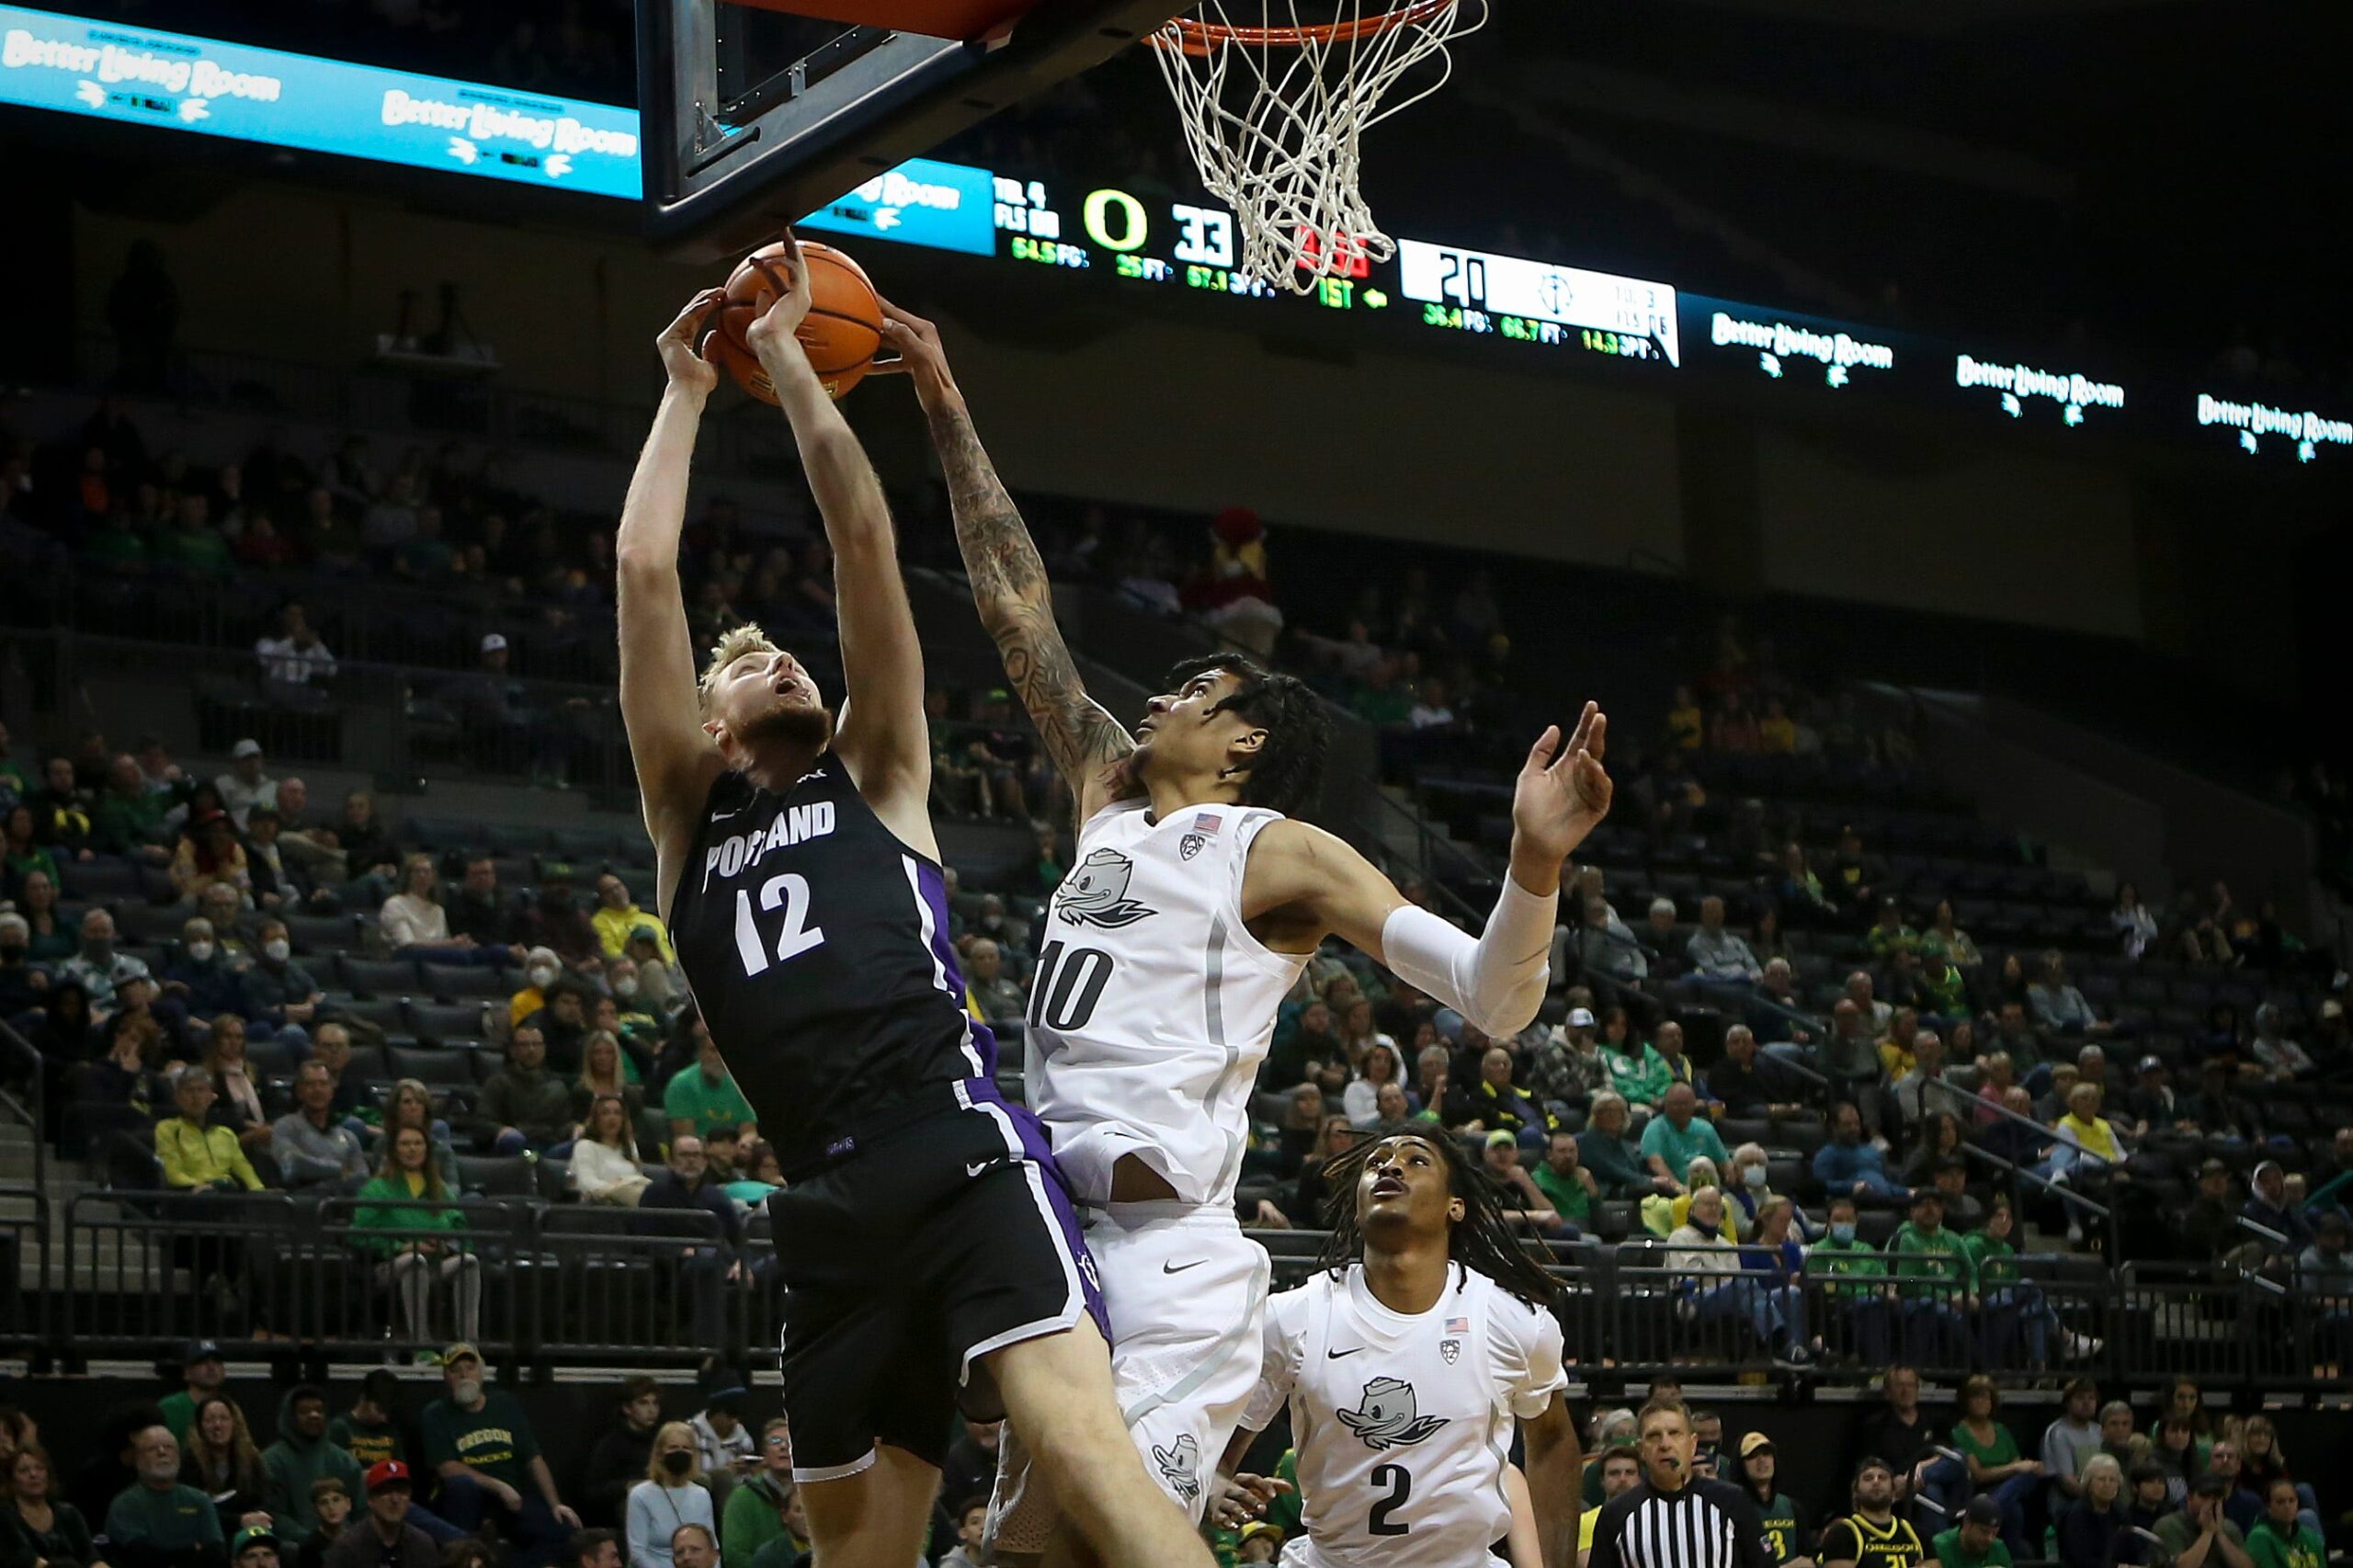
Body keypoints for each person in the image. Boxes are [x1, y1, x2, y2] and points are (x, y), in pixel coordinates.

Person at [884, 302, 1609, 1560]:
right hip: (1054, 1237)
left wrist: (1533, 863)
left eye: (1197, 689)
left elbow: (1494, 998)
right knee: (1014, 1555)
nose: (1159, 691)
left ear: (1247, 743)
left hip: (1169, 1264)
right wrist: (945, 400)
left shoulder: (1275, 848)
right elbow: (1015, 608)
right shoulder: (1108, 804)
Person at [1218, 1130, 1581, 1566]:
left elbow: (1554, 1439)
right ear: (1356, 1205)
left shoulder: (1512, 1322)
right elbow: (1215, 1456)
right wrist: (1216, 1486)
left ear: (1455, 1206)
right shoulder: (1292, 1317)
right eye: (1376, 1163)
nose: (1390, 1167)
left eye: (1416, 1161)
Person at [421, 1345, 576, 1567]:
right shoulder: (435, 1413)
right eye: (456, 1370)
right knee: (461, 1486)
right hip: (467, 1500)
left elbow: (533, 1457)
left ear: (481, 1372)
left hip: (511, 1500)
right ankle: (465, 1552)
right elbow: (447, 1468)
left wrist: (555, 1505)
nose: (465, 1375)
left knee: (564, 1530)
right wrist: (497, 1486)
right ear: (446, 1377)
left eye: (470, 1368)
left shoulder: (505, 1404)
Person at [1585, 1399, 1771, 1568]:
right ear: (1641, 1450)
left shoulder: (1731, 1501)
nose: (1665, 1444)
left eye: (1674, 1433)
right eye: (1654, 1436)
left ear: (1693, 1444)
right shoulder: (1617, 1513)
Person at [353, 1127, 482, 1346]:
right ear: (393, 1151)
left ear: (427, 1149)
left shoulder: (440, 1189)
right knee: (414, 1260)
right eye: (405, 1144)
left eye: (418, 1143)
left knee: (468, 1262)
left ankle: (469, 1346)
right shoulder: (376, 1188)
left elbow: (462, 1231)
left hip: (435, 1264)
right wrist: (398, 1247)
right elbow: (357, 1235)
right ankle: (420, 1345)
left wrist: (447, 1248)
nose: (412, 1149)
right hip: (388, 1266)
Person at [1671, 1187, 1810, 1365]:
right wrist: (1726, 1283)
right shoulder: (1680, 1237)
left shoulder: (1726, 1244)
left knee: (1790, 1293)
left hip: (1732, 1297)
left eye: (1717, 1205)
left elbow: (1734, 1280)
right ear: (1692, 1209)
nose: (1713, 1209)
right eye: (1707, 1204)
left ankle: (1794, 1352)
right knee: (1744, 1283)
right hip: (1695, 1300)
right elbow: (1689, 1277)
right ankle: (1780, 1342)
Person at [1946, 1377, 2042, 1560]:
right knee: (2015, 1510)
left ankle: (1988, 1513)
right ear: (1966, 1401)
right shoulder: (1960, 1432)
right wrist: (2015, 1468)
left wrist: (2027, 1468)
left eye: (1986, 1397)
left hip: (2008, 1488)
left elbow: (2019, 1469)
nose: (1982, 1402)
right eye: (1976, 1397)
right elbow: (1978, 1475)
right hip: (1978, 1492)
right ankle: (2008, 1559)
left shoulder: (2001, 1430)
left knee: (2030, 1476)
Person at [106, 1425, 227, 1568]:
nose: (162, 1452)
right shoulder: (126, 1504)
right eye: (152, 1448)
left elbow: (216, 1552)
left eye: (168, 1447)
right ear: (138, 1460)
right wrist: (191, 1550)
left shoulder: (199, 1500)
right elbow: (140, 1555)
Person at [262, 1386, 367, 1550]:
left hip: (345, 1546)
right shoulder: (272, 1461)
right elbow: (273, 1515)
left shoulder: (346, 1461)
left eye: (319, 1410)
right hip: (297, 1547)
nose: (314, 1415)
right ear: (291, 1418)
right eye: (304, 1411)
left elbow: (361, 1514)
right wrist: (316, 1539)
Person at [4, 1443, 109, 1568]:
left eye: (40, 1468)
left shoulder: (68, 1513)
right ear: (12, 1479)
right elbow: (26, 1559)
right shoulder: (5, 1515)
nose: (33, 1474)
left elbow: (90, 1557)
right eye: (23, 1470)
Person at [272, 1062, 370, 1194]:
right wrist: (339, 1170)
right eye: (310, 1084)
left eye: (323, 1084)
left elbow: (362, 1176)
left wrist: (327, 1180)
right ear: (299, 1092)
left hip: (341, 1202)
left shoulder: (348, 1136)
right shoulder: (285, 1126)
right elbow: (293, 1164)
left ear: (331, 1092)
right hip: (303, 1202)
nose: (317, 1089)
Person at [623, 1425, 712, 1568]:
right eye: (673, 1447)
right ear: (659, 1453)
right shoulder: (640, 1495)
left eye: (686, 1448)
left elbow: (711, 1548)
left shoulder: (702, 1495)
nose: (680, 1452)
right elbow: (637, 1553)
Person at [581, 1379, 665, 1530]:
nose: (652, 1410)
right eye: (643, 1403)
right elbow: (593, 1491)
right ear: (627, 1408)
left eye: (655, 1403)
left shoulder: (662, 1439)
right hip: (625, 1507)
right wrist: (629, 1485)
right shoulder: (611, 1444)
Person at [323, 1462, 437, 1568]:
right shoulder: (346, 1548)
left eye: (402, 1492)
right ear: (370, 1499)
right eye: (386, 1491)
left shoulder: (423, 1546)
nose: (395, 1499)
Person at [1821, 1459, 1928, 1568]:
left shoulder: (1917, 1534)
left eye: (1882, 1478)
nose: (1876, 1482)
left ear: (1893, 1489)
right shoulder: (1842, 1534)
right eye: (1868, 1478)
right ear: (1856, 1490)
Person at [718, 1420, 794, 1566]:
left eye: (790, 1442)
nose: (784, 1447)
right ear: (764, 1454)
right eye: (776, 1441)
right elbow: (734, 1555)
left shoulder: (811, 1497)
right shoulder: (742, 1498)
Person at [1735, 1434, 1813, 1568]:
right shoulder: (1735, 1509)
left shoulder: (1792, 1507)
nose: (1761, 1460)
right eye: (1752, 1456)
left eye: (1766, 1454)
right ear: (1741, 1464)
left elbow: (1807, 1560)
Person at [2154, 1476, 2255, 1568]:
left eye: (2216, 1497)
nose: (2210, 1503)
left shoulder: (2229, 1527)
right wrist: (2207, 1532)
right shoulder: (2168, 1526)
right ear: (2189, 1498)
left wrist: (2220, 1534)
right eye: (2205, 1497)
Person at [2055, 1455, 2135, 1568]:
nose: (2107, 1484)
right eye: (2101, 1479)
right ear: (2089, 1484)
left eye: (2112, 1480)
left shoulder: (2121, 1513)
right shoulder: (2076, 1515)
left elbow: (2133, 1550)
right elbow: (2082, 1560)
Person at [2040, 1380, 2102, 1522]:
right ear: (2068, 1403)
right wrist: (2100, 1498)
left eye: (2091, 1398)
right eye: (2080, 1398)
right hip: (2068, 1506)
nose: (2087, 1403)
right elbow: (2067, 1483)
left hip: (2099, 1500)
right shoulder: (2058, 1433)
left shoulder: (2099, 1431)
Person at [572, 1095, 651, 1206]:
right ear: (596, 1119)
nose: (612, 1118)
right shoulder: (585, 1146)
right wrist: (619, 1189)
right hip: (599, 1208)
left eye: (617, 1113)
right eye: (605, 1113)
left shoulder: (630, 1146)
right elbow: (586, 1183)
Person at [1930, 1496, 2013, 1568]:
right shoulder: (1941, 1547)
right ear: (1967, 1523)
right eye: (1984, 1532)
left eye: (1994, 1534)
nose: (1990, 1539)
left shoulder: (1998, 1548)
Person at [296, 1480, 351, 1568]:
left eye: (336, 1500)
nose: (331, 1507)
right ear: (315, 1510)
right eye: (323, 1502)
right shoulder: (310, 1548)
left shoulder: (358, 1540)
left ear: (348, 1504)